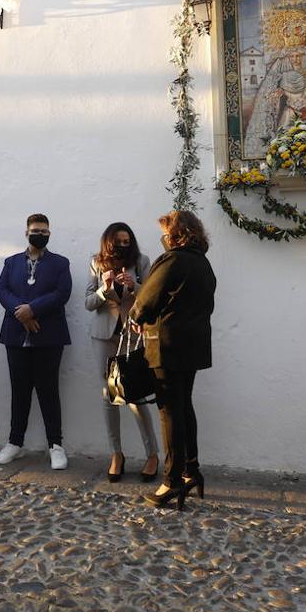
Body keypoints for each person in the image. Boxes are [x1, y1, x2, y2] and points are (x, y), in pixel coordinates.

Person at [129, 210, 216, 510]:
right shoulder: (203, 263)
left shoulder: (173, 260)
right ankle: (191, 471)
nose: (164, 239)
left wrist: (137, 317)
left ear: (177, 235)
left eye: (167, 233)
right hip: (193, 346)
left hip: (167, 346)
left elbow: (146, 300)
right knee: (184, 406)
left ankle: (172, 480)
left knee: (169, 410)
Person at [0, 214, 73, 470]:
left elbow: (62, 293)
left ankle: (55, 446)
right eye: (36, 230)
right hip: (15, 335)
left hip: (49, 336)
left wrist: (33, 310)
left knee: (48, 390)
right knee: (19, 390)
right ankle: (15, 443)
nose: (41, 234)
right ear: (26, 232)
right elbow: (2, 291)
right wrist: (22, 312)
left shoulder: (60, 263)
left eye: (45, 231)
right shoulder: (11, 262)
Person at [85, 222, 159, 483]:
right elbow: (88, 303)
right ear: (108, 241)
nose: (122, 245)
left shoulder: (141, 261)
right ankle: (116, 454)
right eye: (118, 241)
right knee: (109, 396)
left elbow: (151, 297)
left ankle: (152, 455)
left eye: (127, 241)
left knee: (135, 397)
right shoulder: (96, 263)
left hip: (132, 338)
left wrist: (135, 284)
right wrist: (105, 289)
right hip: (104, 338)